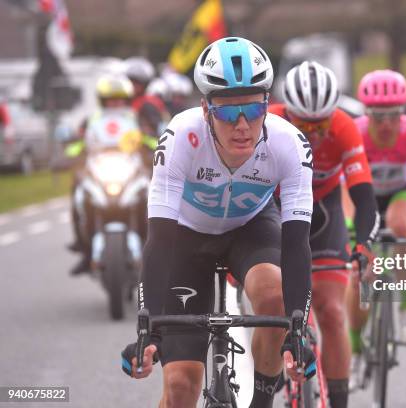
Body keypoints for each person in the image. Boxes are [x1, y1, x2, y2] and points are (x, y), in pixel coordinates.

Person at [120, 37, 316, 408]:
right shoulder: (180, 138)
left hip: (251, 229)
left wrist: (296, 327)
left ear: (266, 105)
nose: (242, 125)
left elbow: (296, 243)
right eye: (227, 112)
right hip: (185, 238)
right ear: (205, 109)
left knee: (274, 295)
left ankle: (262, 400)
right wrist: (148, 330)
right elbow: (159, 241)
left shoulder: (289, 144)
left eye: (253, 110)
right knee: (180, 387)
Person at [268, 61, 379, 408]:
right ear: (289, 114)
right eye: (304, 125)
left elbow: (364, 197)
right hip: (275, 208)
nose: (314, 134)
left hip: (323, 211)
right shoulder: (268, 124)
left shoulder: (345, 127)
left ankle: (340, 401)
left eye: (322, 124)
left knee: (331, 310)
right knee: (271, 307)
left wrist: (363, 245)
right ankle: (267, 374)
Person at [344, 69, 406, 358]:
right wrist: (351, 226)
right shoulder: (356, 133)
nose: (386, 123)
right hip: (364, 198)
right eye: (378, 116)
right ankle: (354, 344)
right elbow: (343, 188)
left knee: (401, 226)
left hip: (402, 194)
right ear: (366, 113)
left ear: (403, 112)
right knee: (360, 275)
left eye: (394, 115)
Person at [66, 74, 142, 275]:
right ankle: (84, 249)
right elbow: (78, 138)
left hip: (130, 166)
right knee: (77, 194)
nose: (115, 104)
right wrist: (74, 146)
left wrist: (154, 142)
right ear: (102, 101)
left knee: (151, 192)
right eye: (110, 100)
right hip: (98, 166)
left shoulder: (135, 118)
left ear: (126, 100)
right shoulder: (91, 119)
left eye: (119, 99)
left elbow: (151, 136)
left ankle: (155, 245)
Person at [124, 56, 169, 144]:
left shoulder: (150, 103)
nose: (134, 85)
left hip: (145, 148)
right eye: (131, 81)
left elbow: (158, 129)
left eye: (138, 82)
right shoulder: (120, 101)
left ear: (145, 84)